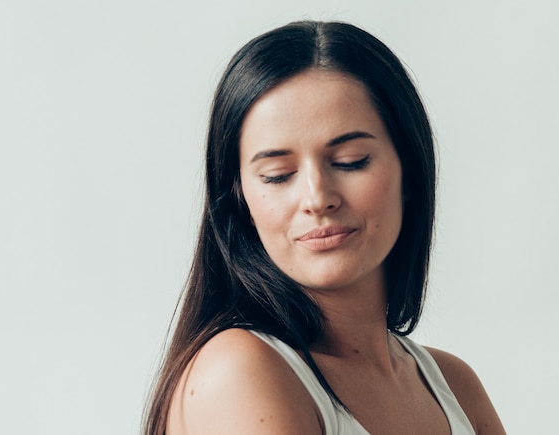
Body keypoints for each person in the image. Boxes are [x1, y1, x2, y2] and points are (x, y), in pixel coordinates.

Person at [144, 20, 505, 435]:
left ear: (410, 172)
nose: (317, 198)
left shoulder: (454, 386)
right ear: (240, 199)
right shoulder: (240, 370)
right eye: (278, 175)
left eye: (351, 161)